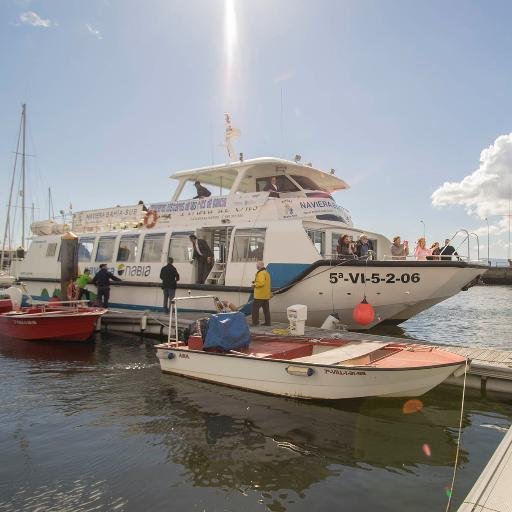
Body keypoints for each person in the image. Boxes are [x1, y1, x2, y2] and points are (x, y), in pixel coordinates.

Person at [251, 261, 271, 326]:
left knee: (255, 310)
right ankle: (268, 322)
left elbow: (261, 283)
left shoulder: (261, 273)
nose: (256, 267)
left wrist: (254, 285)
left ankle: (255, 322)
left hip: (259, 295)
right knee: (266, 310)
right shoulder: (266, 272)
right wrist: (255, 281)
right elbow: (264, 282)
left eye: (257, 265)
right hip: (265, 295)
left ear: (259, 266)